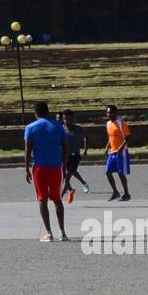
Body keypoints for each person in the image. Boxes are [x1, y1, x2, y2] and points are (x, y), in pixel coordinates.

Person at [24, 101, 70, 242]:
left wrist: (26, 169)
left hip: (39, 167)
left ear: (35, 113)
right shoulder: (58, 126)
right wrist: (64, 165)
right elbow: (65, 147)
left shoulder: (30, 127)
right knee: (57, 199)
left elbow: (28, 150)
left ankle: (49, 233)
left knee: (42, 199)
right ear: (48, 111)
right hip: (55, 167)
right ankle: (63, 232)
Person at [60, 110, 90, 200]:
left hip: (75, 155)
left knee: (69, 174)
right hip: (64, 156)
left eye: (68, 118)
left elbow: (86, 136)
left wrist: (85, 149)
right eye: (64, 119)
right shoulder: (61, 129)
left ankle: (61, 195)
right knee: (64, 175)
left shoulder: (79, 129)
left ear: (72, 118)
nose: (66, 121)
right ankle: (80, 184)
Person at [104, 105, 132, 201]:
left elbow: (128, 135)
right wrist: (107, 146)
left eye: (111, 112)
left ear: (115, 113)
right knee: (108, 172)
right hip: (112, 152)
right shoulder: (108, 124)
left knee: (121, 173)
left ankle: (126, 193)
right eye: (108, 112)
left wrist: (121, 147)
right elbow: (111, 136)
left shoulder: (121, 123)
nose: (109, 114)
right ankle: (115, 192)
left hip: (121, 151)